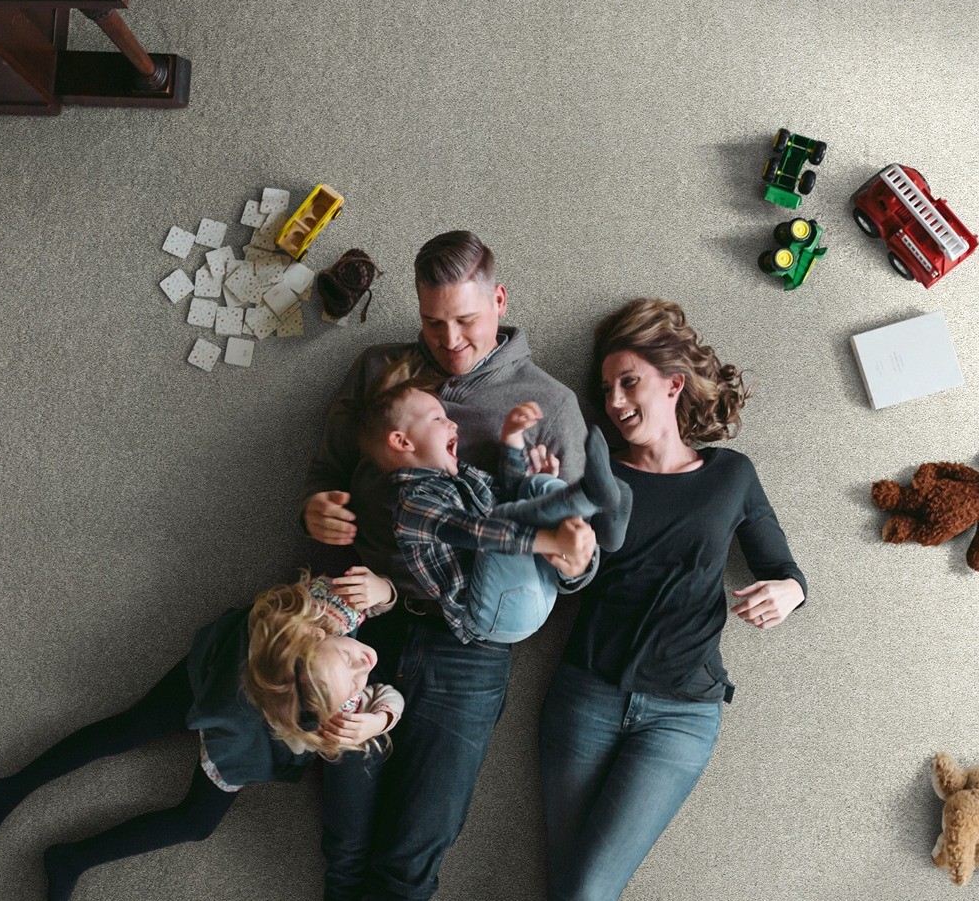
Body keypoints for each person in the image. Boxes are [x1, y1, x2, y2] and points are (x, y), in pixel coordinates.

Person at [298, 230, 598, 901]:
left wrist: (575, 562)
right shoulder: (382, 370)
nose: (451, 340)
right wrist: (317, 511)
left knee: (413, 853)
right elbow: (324, 476)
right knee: (344, 842)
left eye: (466, 320)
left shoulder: (549, 405)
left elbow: (575, 556)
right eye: (433, 322)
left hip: (468, 645)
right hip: (360, 625)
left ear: (498, 299)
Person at [539, 298, 808, 901]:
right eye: (606, 388)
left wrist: (789, 592)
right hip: (585, 696)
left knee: (584, 891)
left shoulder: (730, 475)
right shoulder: (596, 468)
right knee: (571, 888)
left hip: (683, 714)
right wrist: (567, 561)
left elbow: (785, 570)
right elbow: (564, 575)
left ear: (674, 384)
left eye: (628, 382)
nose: (614, 401)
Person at [0, 571, 400, 901]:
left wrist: (377, 719)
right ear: (309, 637)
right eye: (349, 662)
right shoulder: (308, 620)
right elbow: (362, 610)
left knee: (197, 823)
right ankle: (9, 788)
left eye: (355, 674)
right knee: (128, 730)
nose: (366, 663)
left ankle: (71, 857)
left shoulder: (337, 670)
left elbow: (387, 694)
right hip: (221, 678)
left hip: (252, 734)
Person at [357, 367, 631, 643]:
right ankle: (587, 500)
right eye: (438, 418)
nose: (453, 424)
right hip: (499, 614)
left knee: (534, 485)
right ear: (403, 442)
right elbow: (475, 532)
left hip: (543, 582)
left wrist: (512, 439)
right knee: (496, 522)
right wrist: (550, 540)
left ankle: (597, 505)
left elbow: (511, 495)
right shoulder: (412, 505)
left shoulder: (461, 473)